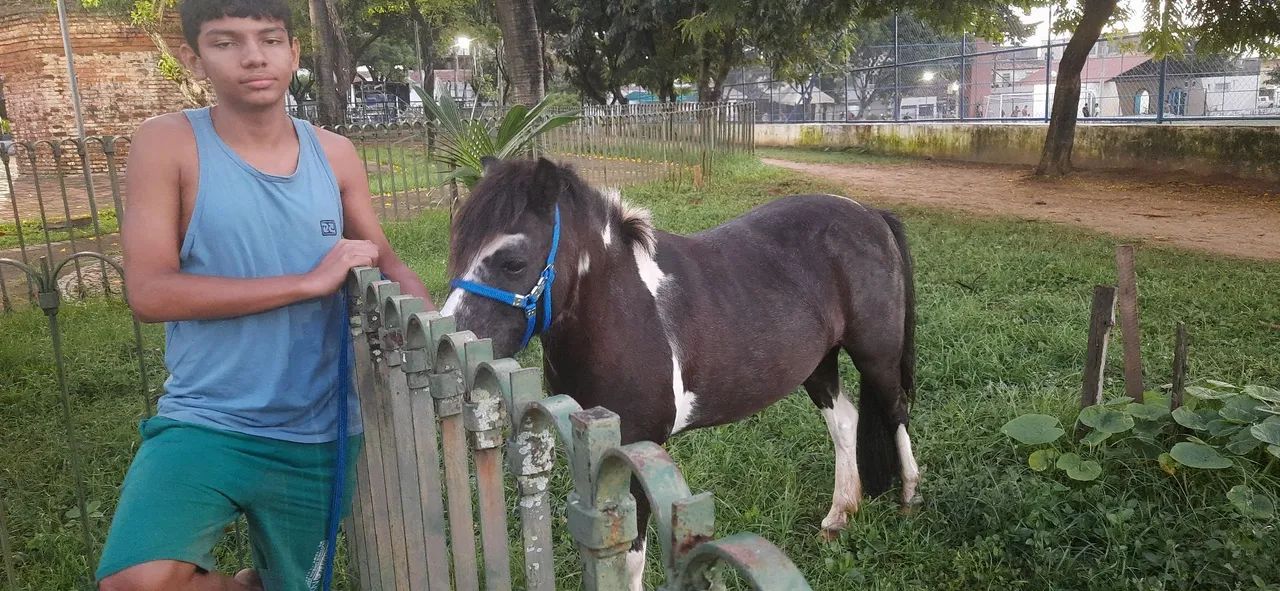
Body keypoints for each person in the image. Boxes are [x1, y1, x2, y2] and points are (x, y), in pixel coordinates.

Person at [96, 1, 433, 589]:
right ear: (192, 56)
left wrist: (436, 325)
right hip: (207, 418)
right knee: (134, 583)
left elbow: (385, 258)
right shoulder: (169, 144)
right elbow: (150, 292)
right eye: (225, 42)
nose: (254, 56)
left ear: (294, 52)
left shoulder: (335, 155)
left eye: (270, 39)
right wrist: (305, 283)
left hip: (318, 433)